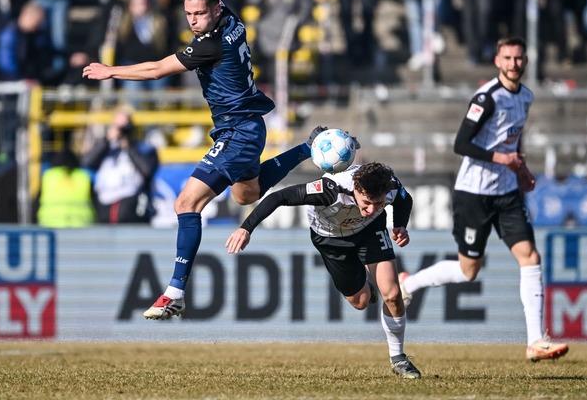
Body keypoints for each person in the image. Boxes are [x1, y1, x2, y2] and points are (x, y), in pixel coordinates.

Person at [83, 0, 333, 319]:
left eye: (200, 13)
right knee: (245, 196)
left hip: (237, 132)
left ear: (215, 10)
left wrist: (110, 70)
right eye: (189, 14)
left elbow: (155, 70)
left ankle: (174, 291)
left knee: (187, 202)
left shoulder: (210, 44)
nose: (194, 20)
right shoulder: (229, 17)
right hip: (250, 128)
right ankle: (308, 148)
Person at [399, 37, 569, 363]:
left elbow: (513, 141)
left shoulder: (527, 97)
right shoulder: (486, 98)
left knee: (530, 257)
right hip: (473, 193)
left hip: (506, 193)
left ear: (525, 61)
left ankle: (535, 340)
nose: (513, 64)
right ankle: (411, 281)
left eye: (518, 58)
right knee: (469, 270)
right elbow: (461, 143)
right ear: (497, 61)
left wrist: (521, 169)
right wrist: (500, 159)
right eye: (507, 58)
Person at [226, 162, 421, 379]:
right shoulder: (329, 189)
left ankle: (399, 358)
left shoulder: (390, 186)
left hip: (370, 232)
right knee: (361, 301)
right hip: (331, 239)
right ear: (356, 188)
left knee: (393, 295)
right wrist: (246, 228)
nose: (371, 210)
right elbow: (278, 197)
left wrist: (400, 225)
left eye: (378, 204)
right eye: (366, 203)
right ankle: (368, 284)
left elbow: (405, 199)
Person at [81, 106, 159, 224]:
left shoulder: (142, 148)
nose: (121, 130)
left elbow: (147, 170)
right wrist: (107, 140)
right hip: (104, 202)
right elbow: (87, 162)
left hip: (131, 201)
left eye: (124, 127)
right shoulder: (105, 147)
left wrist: (129, 146)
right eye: (118, 126)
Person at [35, 147, 95, 228]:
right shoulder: (84, 176)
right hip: (81, 226)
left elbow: (36, 202)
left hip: (50, 225)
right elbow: (95, 201)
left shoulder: (48, 176)